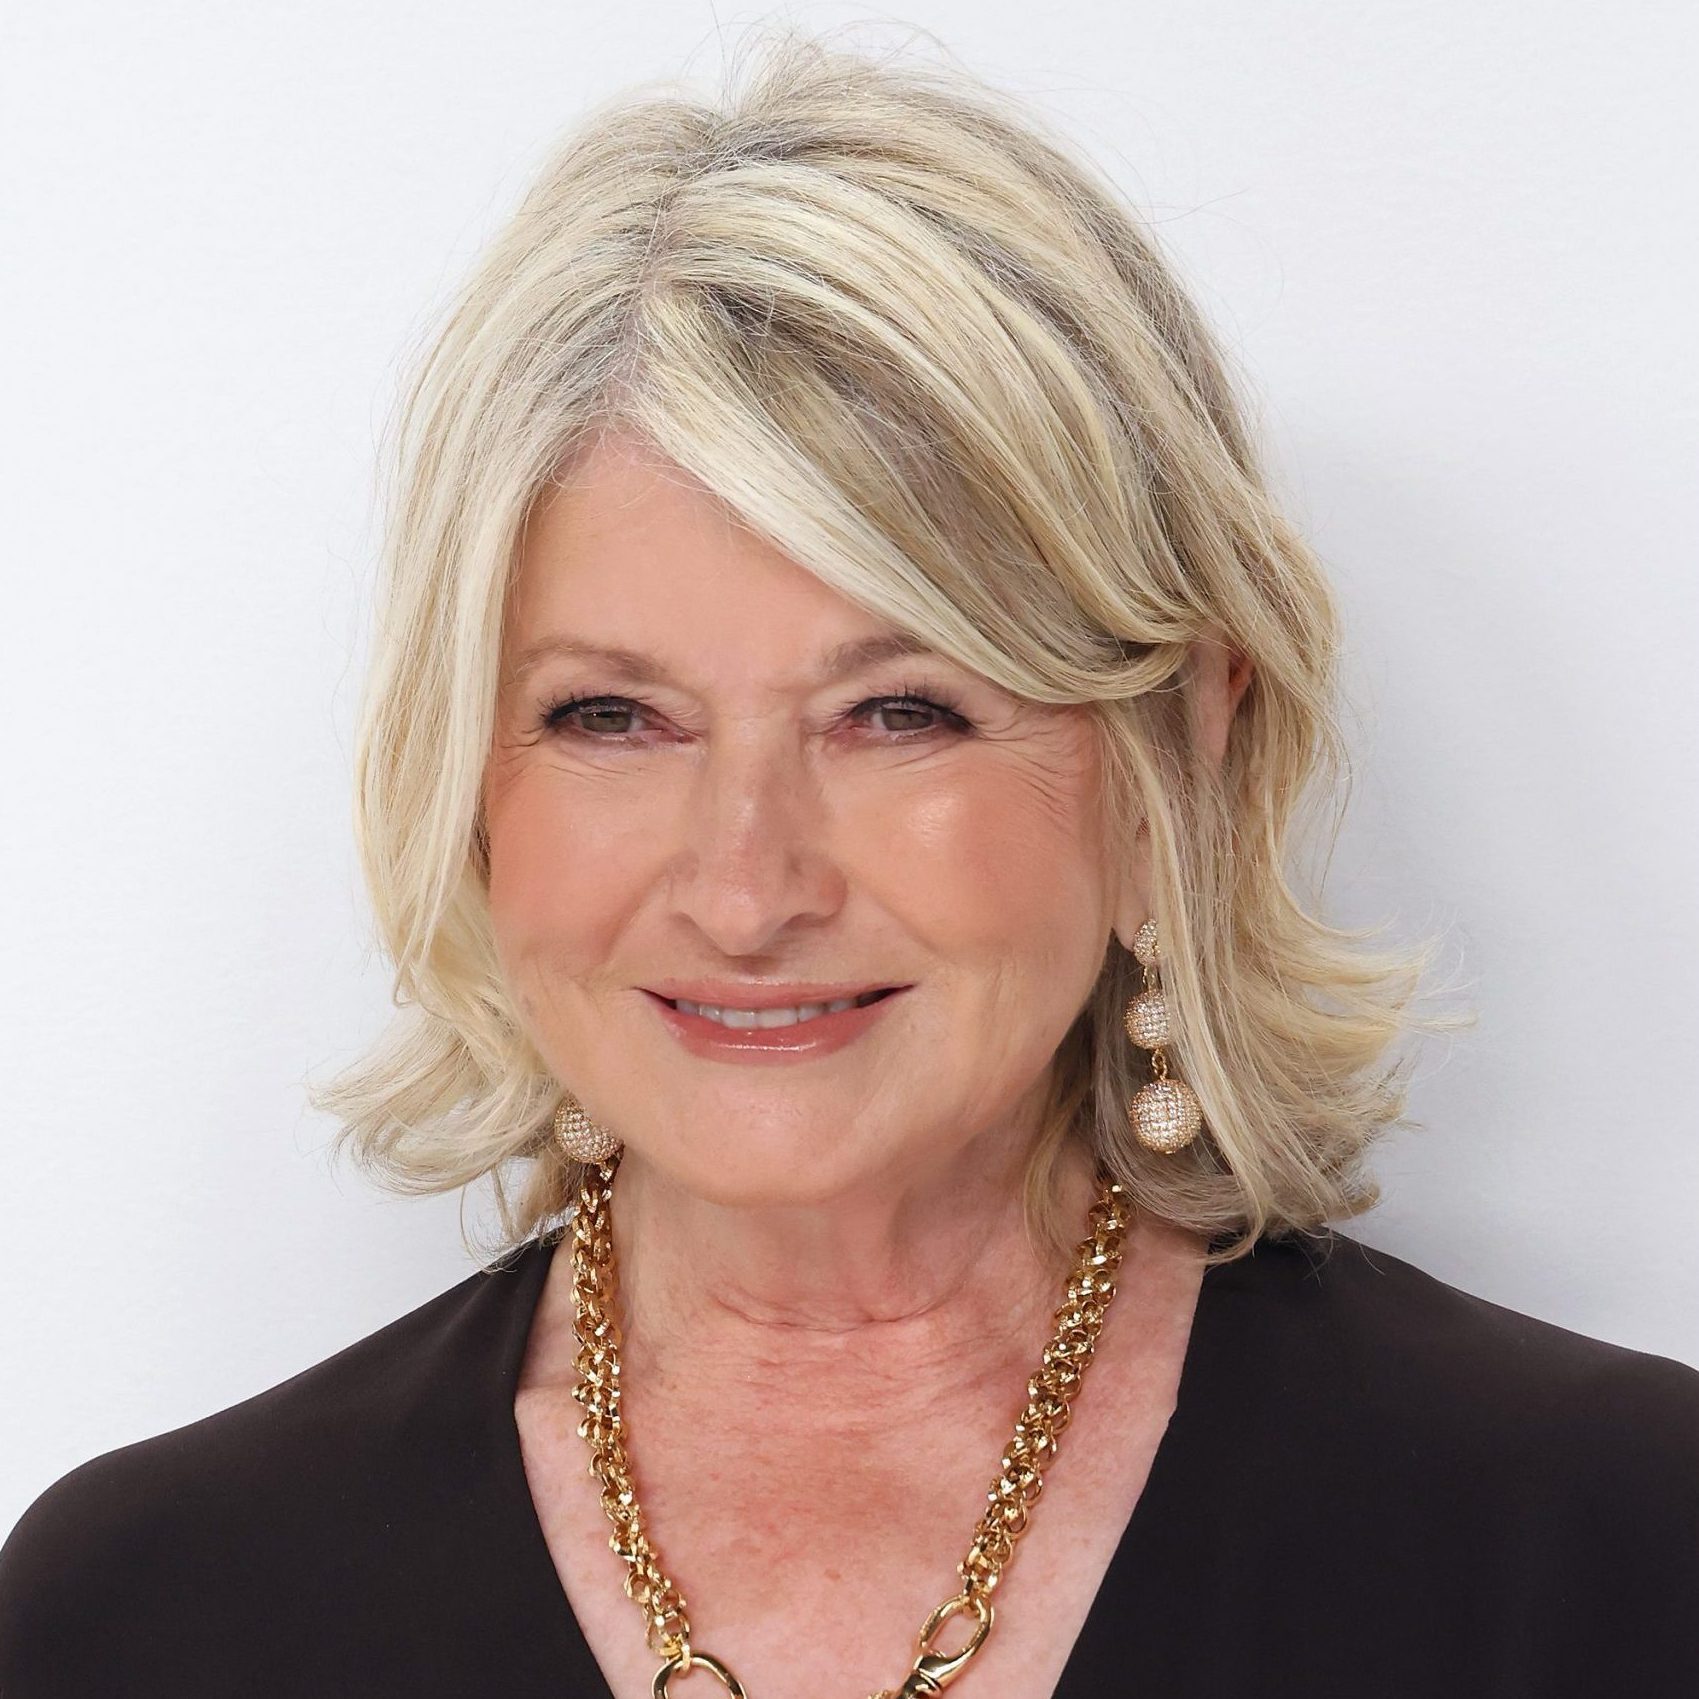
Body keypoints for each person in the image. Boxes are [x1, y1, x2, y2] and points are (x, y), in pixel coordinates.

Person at [1, 28, 1694, 1699]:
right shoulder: (142, 1615)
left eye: (899, 714)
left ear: (1176, 760)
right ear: (468, 789)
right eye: (610, 716)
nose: (746, 893)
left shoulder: (1619, 1547)